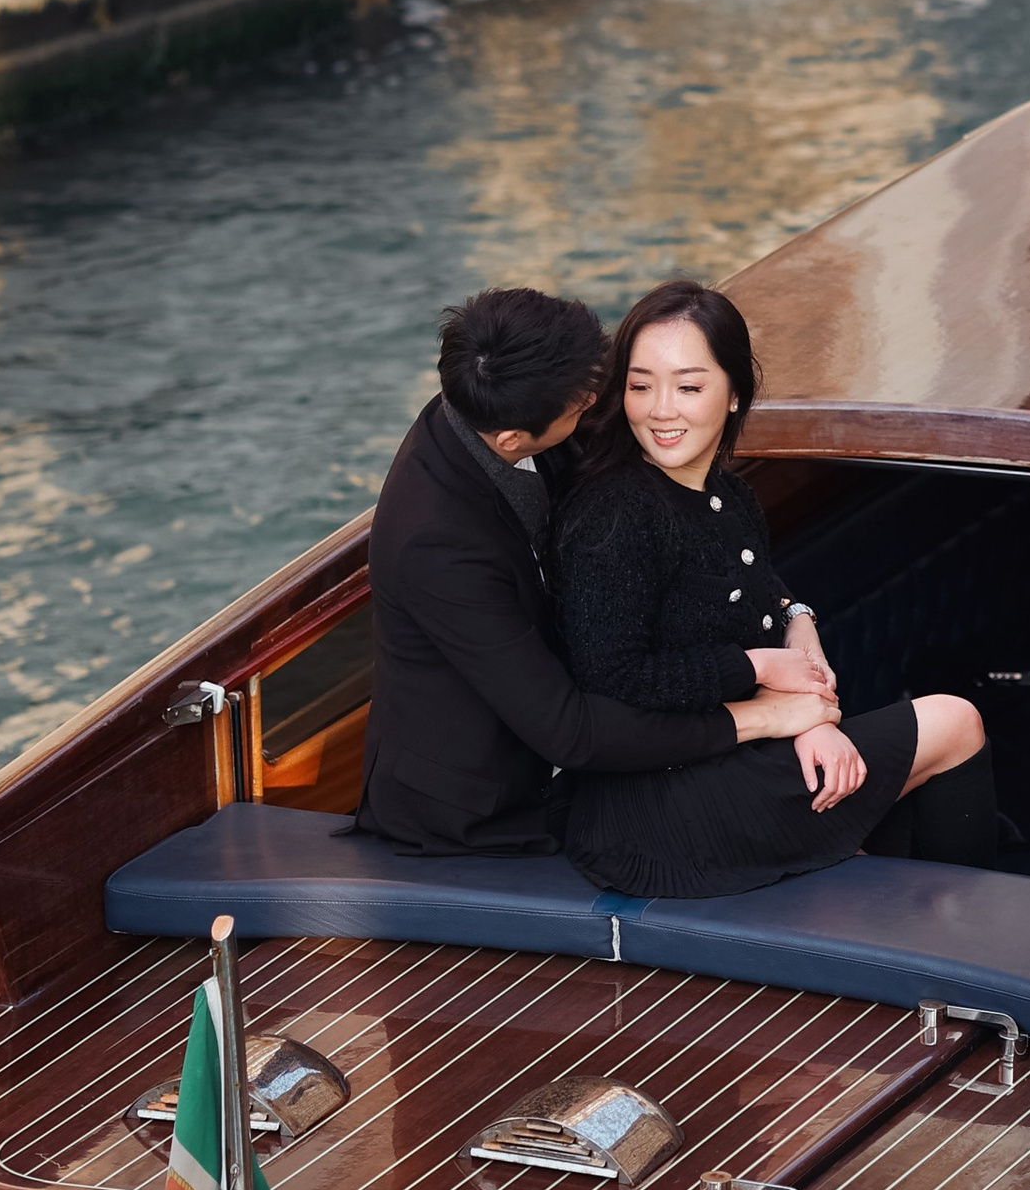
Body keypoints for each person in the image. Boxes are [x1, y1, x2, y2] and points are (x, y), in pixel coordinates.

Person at [551, 276, 996, 901]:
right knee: (956, 722)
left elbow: (754, 596)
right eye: (640, 385)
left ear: (734, 393)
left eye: (689, 386)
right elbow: (611, 674)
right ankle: (973, 933)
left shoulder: (728, 496)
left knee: (871, 765)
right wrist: (763, 671)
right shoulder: (616, 511)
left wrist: (799, 623)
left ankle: (917, 909)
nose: (660, 409)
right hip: (654, 811)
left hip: (719, 766)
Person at [357, 284, 835, 855]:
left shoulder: (513, 394)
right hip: (482, 810)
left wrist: (792, 613)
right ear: (513, 437)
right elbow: (570, 732)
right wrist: (766, 713)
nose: (603, 402)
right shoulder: (435, 542)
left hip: (605, 735)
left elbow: (706, 537)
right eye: (585, 402)